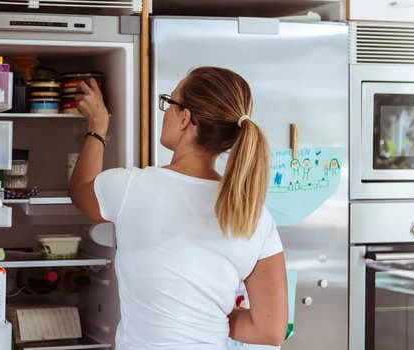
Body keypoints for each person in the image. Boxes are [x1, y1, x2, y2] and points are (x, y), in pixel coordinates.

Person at [69, 67, 288, 350]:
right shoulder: (253, 215)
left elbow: (81, 190)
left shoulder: (132, 189)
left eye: (169, 102)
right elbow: (269, 331)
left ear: (185, 118)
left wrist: (98, 126)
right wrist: (207, 315)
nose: (166, 112)